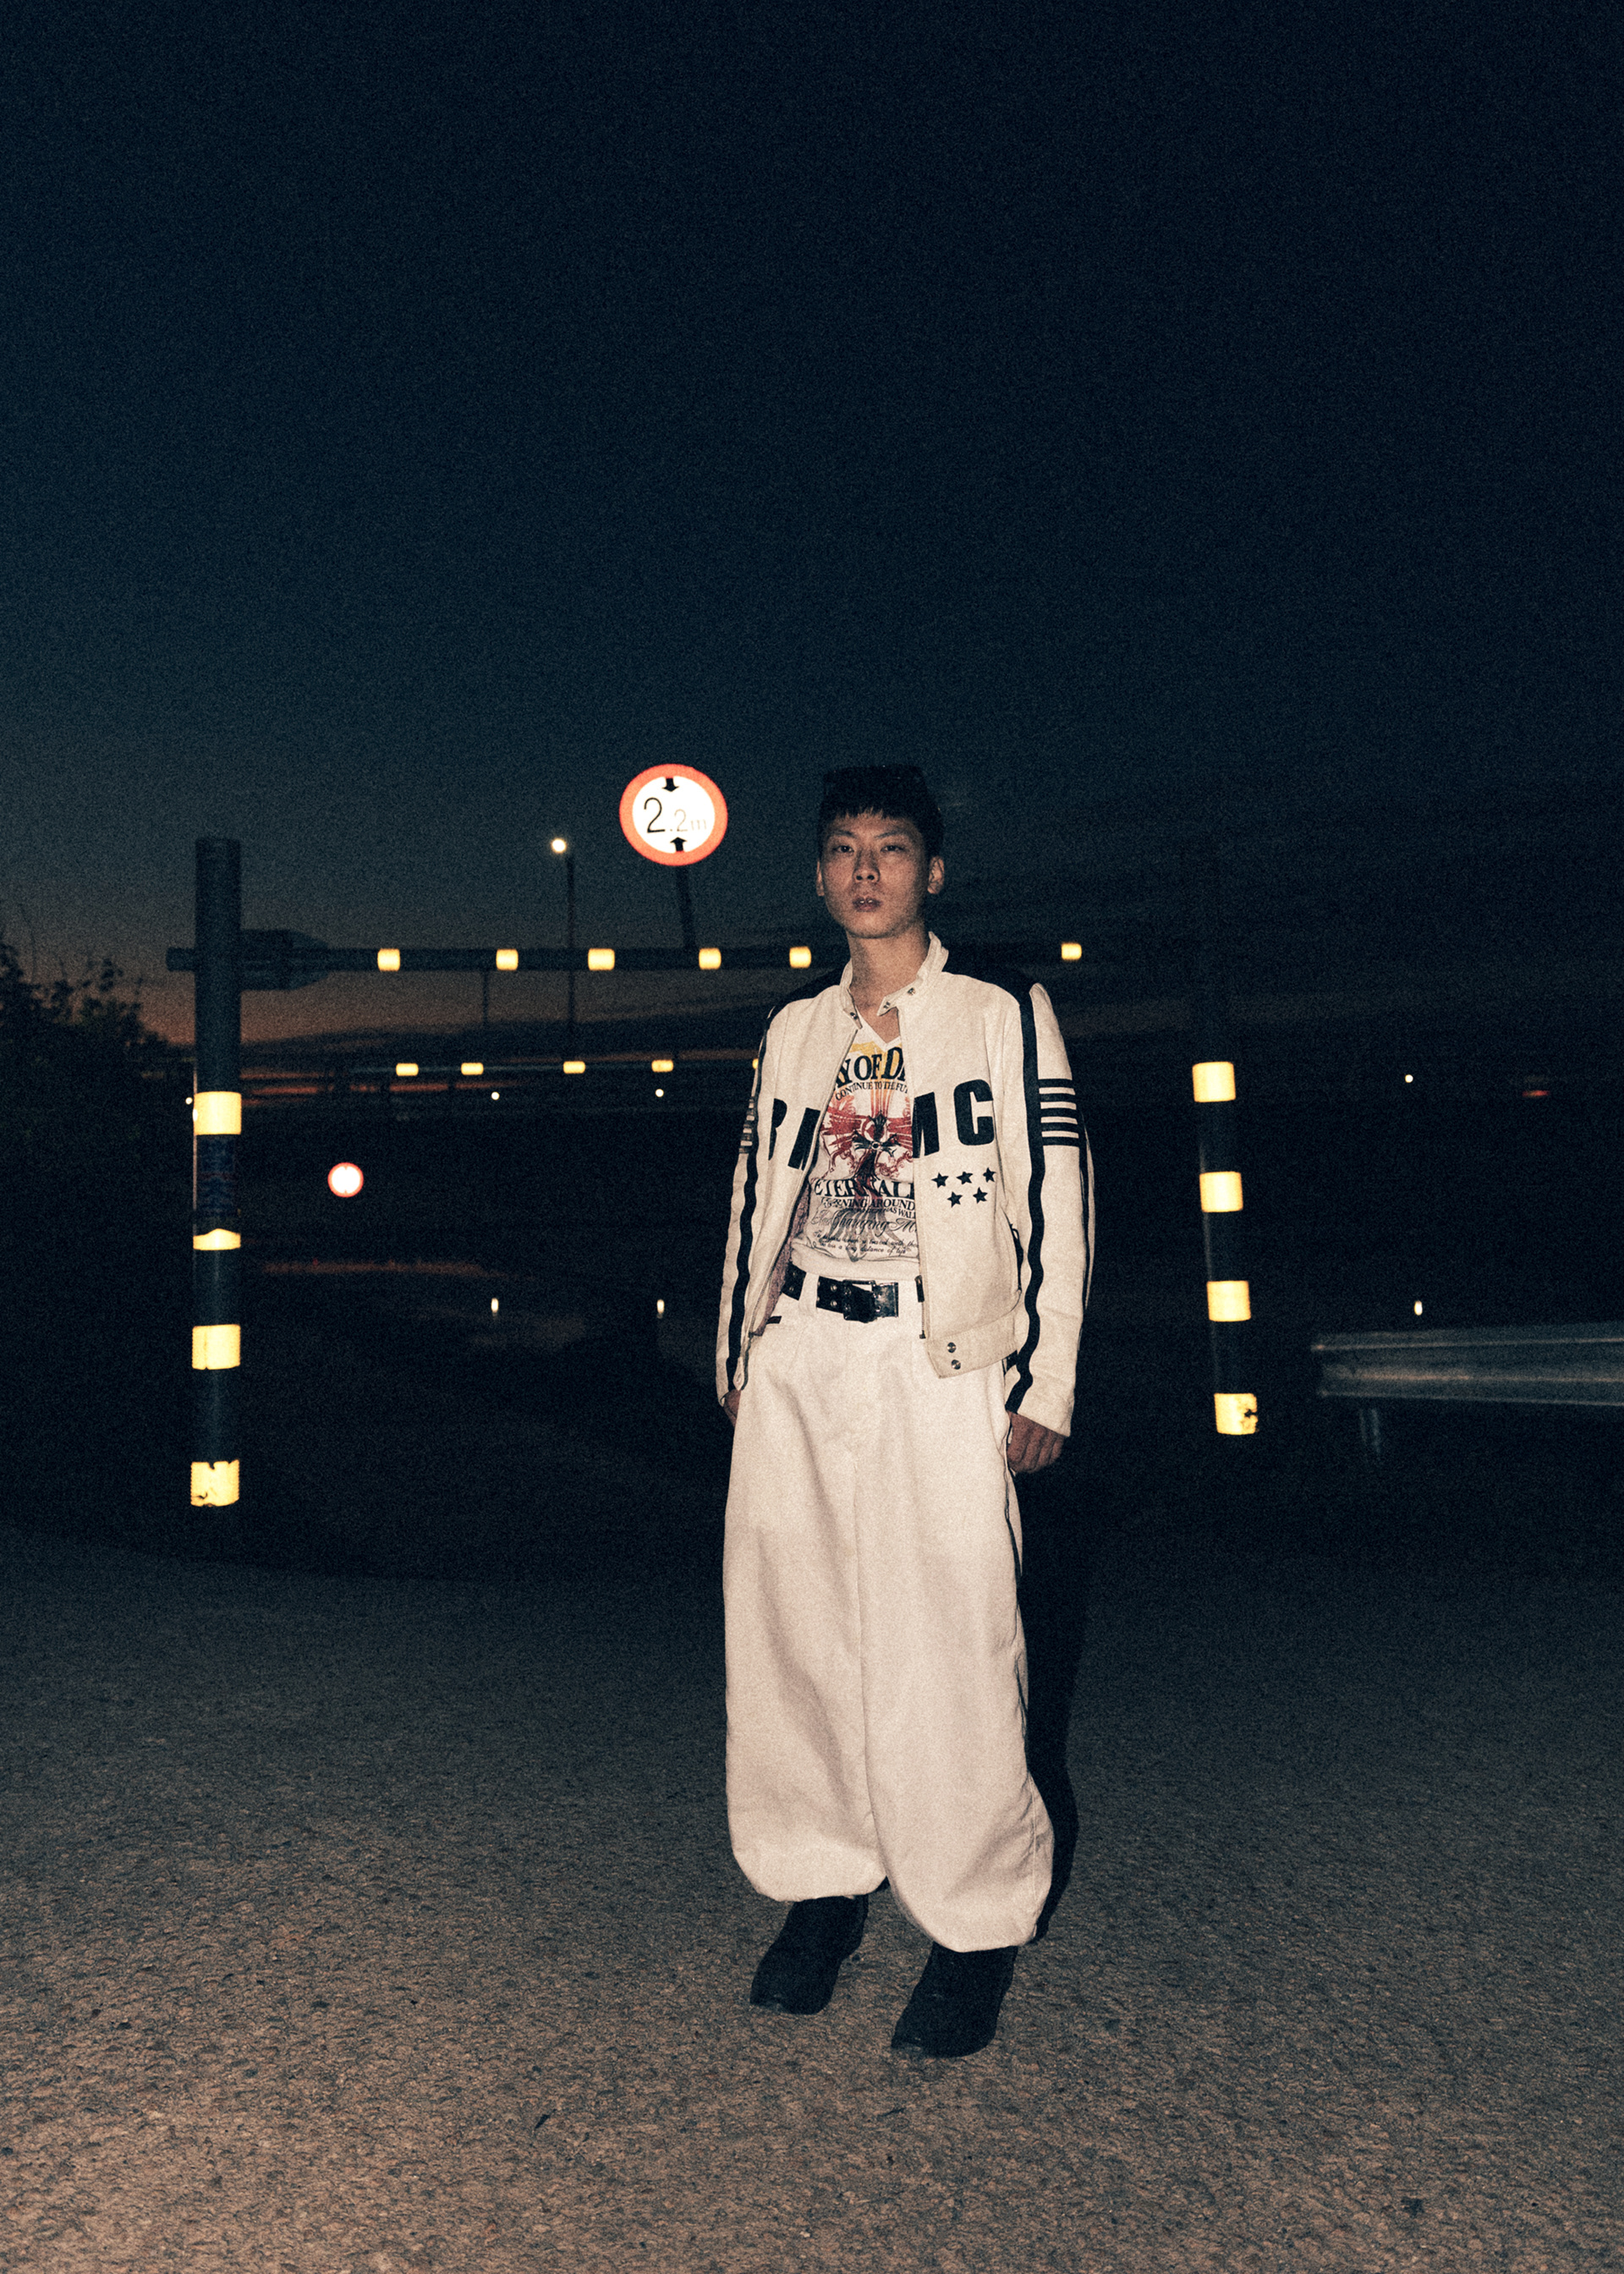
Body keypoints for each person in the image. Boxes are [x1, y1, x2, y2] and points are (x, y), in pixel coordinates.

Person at [716, 764, 1093, 2058]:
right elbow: (752, 1195)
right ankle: (823, 1887)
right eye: (842, 847)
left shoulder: (1001, 1013)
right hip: (803, 1351)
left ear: (933, 872)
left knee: (955, 1639)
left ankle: (974, 1924)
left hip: (941, 1360)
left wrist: (1046, 1380)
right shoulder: (792, 1031)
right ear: (821, 875)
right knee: (797, 1635)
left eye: (889, 847)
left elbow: (1058, 1201)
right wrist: (740, 1349)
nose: (865, 869)